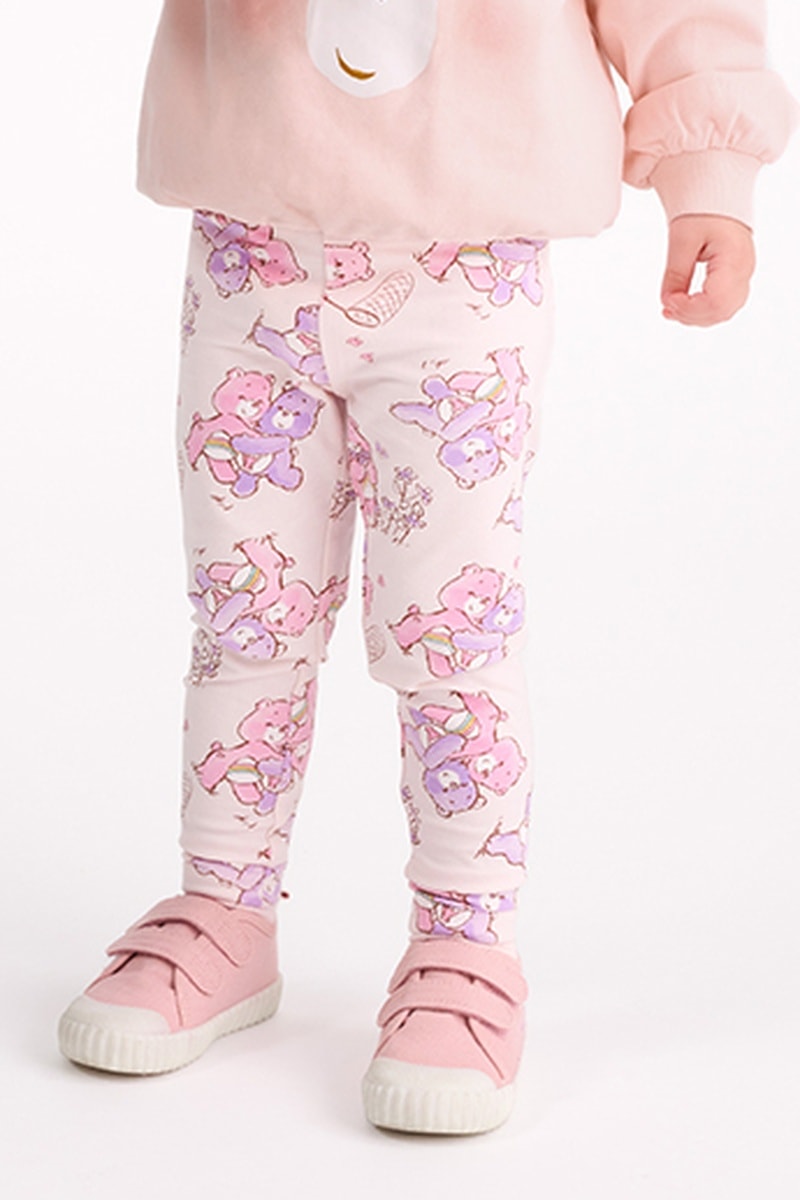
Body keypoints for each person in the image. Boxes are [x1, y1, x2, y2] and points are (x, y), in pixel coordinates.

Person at [57, 0, 798, 1135]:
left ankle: (465, 939)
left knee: (451, 628)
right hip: (250, 240)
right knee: (247, 612)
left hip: (467, 266)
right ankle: (225, 906)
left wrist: (711, 173)